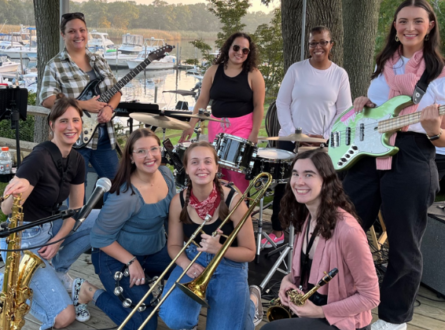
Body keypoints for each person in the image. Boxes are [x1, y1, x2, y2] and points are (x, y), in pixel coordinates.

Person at [342, 1, 445, 329]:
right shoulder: (385, 63)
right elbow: (378, 109)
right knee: (344, 228)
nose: (409, 27)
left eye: (417, 21)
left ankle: (392, 320)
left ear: (430, 25)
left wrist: (433, 129)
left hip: (413, 152)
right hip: (369, 153)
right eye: (403, 21)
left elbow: (441, 140)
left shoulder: (440, 74)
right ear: (395, 26)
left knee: (403, 243)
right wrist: (364, 105)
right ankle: (342, 303)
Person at [0, 95, 96, 328]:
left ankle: (57, 271)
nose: (71, 127)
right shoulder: (39, 158)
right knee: (64, 318)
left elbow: (75, 209)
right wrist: (14, 196)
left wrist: (57, 240)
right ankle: (7, 283)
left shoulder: (77, 160)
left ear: (82, 124)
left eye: (75, 120)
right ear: (51, 125)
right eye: (63, 121)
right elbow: (5, 210)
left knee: (101, 218)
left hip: (49, 228)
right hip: (24, 240)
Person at [262, 150, 379, 330]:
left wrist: (319, 311)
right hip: (314, 311)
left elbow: (371, 297)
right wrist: (286, 282)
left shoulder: (348, 231)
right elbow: (306, 274)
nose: (299, 182)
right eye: (295, 174)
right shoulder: (307, 218)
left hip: (342, 322)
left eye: (308, 175)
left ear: (326, 180)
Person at [71, 128, 175, 330]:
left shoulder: (166, 174)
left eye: (154, 149)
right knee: (144, 325)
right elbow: (99, 237)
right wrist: (131, 261)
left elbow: (170, 218)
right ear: (131, 156)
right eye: (141, 151)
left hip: (155, 249)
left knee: (192, 267)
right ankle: (89, 291)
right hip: (116, 257)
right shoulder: (125, 195)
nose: (150, 156)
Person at [158, 141, 262, 330]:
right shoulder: (178, 201)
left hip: (230, 264)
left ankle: (251, 303)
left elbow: (249, 252)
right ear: (186, 169)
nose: (201, 167)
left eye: (207, 162)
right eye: (195, 162)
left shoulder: (234, 201)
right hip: (193, 259)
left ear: (216, 167)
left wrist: (219, 248)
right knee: (174, 316)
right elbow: (173, 246)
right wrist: (185, 265)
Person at [266, 26, 352, 248]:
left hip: (324, 143)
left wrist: (322, 137)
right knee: (284, 186)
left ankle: (316, 236)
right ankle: (279, 232)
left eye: (322, 42)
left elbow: (345, 112)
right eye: (313, 43)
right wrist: (294, 133)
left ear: (331, 44)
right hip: (292, 140)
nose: (318, 47)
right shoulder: (296, 69)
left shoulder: (339, 74)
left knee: (319, 189)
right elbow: (282, 103)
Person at [40, 12, 121, 186]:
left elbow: (116, 91)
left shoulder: (98, 60)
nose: (78, 35)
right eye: (72, 31)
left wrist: (109, 108)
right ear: (63, 35)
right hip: (73, 140)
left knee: (116, 188)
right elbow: (47, 99)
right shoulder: (55, 65)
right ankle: (75, 216)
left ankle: (107, 215)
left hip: (103, 137)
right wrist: (83, 105)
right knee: (76, 193)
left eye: (82, 30)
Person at [179, 32, 265, 193]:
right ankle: (219, 212)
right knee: (217, 171)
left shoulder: (254, 74)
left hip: (242, 127)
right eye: (236, 48)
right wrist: (191, 125)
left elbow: (259, 106)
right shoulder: (213, 71)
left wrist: (254, 133)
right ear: (228, 48)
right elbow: (202, 100)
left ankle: (239, 212)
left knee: (236, 173)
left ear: (249, 53)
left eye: (245, 50)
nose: (240, 53)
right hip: (216, 126)